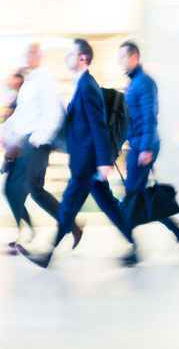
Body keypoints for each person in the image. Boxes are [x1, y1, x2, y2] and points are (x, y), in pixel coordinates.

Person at [17, 38, 139, 267]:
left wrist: (104, 161)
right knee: (108, 205)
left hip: (88, 162)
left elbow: (98, 125)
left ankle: (47, 253)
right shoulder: (80, 84)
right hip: (87, 160)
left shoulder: (87, 85)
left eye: (70, 54)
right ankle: (135, 244)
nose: (66, 58)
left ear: (83, 58)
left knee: (69, 205)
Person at [117, 41, 179, 246]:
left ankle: (133, 247)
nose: (120, 61)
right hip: (137, 145)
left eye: (123, 57)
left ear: (135, 57)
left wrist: (145, 149)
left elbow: (150, 116)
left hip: (143, 146)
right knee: (139, 195)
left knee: (133, 196)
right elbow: (131, 118)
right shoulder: (133, 82)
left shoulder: (144, 82)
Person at [2, 45, 82, 250]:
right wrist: (6, 133)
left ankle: (28, 233)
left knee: (18, 188)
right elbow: (21, 117)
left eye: (30, 53)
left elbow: (53, 113)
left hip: (37, 143)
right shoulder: (30, 81)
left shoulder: (44, 78)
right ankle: (71, 226)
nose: (27, 58)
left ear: (38, 56)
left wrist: (37, 140)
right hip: (28, 143)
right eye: (25, 54)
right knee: (34, 190)